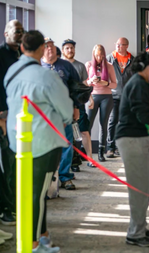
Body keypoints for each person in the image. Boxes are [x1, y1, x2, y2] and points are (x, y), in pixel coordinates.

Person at [6, 30, 73, 253]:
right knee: (38, 193)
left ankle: (42, 235)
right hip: (43, 142)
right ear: (42, 50)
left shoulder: (12, 70)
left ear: (22, 48)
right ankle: (34, 243)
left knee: (29, 190)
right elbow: (65, 109)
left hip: (17, 139)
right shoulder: (46, 76)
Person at [115, 52, 149, 247]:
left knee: (144, 188)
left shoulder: (145, 84)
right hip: (133, 139)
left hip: (143, 139)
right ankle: (135, 234)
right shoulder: (138, 85)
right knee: (139, 189)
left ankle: (140, 227)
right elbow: (146, 117)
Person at [41, 37, 81, 190]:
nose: (50, 48)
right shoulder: (38, 66)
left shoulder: (66, 66)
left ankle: (65, 177)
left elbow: (76, 88)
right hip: (44, 115)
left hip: (64, 112)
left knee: (66, 145)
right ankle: (47, 179)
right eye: (46, 46)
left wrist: (76, 107)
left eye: (52, 46)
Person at [0, 19, 23, 225]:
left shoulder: (22, 55)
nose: (20, 33)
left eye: (22, 31)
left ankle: (14, 204)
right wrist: (2, 116)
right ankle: (6, 208)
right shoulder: (0, 55)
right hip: (4, 118)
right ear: (6, 32)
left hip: (21, 118)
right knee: (6, 163)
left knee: (17, 163)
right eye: (16, 31)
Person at [61, 39, 95, 168]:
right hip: (64, 104)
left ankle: (90, 158)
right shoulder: (59, 65)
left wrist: (90, 99)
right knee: (68, 133)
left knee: (84, 131)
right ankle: (71, 162)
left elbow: (84, 85)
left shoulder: (80, 66)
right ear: (63, 50)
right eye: (67, 48)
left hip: (78, 104)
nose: (70, 50)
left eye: (72, 48)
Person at [85, 45, 117, 162]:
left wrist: (105, 83)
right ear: (93, 54)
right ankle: (87, 152)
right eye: (97, 55)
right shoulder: (88, 65)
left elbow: (114, 84)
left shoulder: (109, 66)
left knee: (103, 125)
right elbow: (84, 83)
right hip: (92, 96)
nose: (99, 57)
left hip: (106, 97)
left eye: (101, 55)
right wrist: (91, 81)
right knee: (88, 124)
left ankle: (100, 152)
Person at [106, 37, 135, 158]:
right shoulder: (109, 58)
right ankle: (110, 147)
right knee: (113, 121)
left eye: (121, 45)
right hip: (113, 94)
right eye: (117, 44)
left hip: (127, 96)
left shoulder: (132, 60)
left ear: (126, 46)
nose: (118, 46)